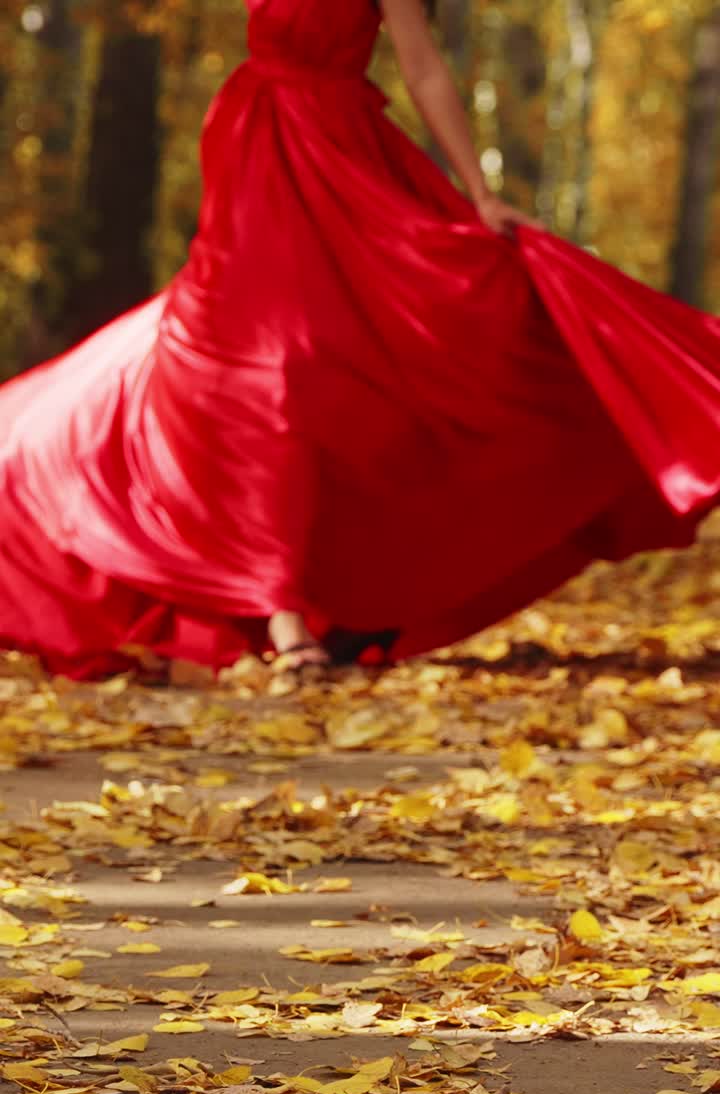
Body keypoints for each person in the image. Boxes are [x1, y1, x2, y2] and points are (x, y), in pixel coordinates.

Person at [1, 0, 719, 679]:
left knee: (366, 351)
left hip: (344, 152)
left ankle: (346, 594)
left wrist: (478, 190)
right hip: (258, 145)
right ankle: (278, 608)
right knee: (255, 364)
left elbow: (425, 66)